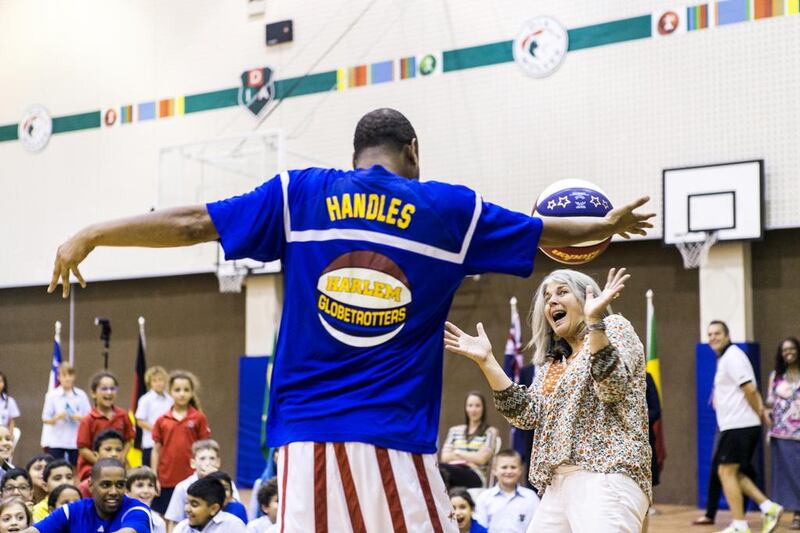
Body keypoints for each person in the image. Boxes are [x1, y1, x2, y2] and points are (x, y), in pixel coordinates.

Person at [47, 108, 654, 531]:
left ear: (356, 158)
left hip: (303, 437)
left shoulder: (301, 192)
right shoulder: (447, 208)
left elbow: (191, 224)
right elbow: (548, 230)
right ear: (413, 154)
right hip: (394, 437)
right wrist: (605, 228)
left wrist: (93, 232)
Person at [445, 268, 652, 532]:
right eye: (547, 296)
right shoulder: (553, 363)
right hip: (556, 484)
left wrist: (595, 322)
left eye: (562, 292)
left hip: (606, 474)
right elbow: (525, 415)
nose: (551, 301)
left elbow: (612, 387)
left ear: (586, 298)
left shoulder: (613, 328)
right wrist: (488, 362)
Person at [707, 320, 783, 533]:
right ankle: (769, 507)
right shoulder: (726, 358)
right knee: (730, 472)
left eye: (717, 333)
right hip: (734, 425)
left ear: (728, 335)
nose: (713, 337)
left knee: (725, 471)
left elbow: (749, 388)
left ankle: (740, 524)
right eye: (710, 334)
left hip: (740, 425)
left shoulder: (733, 356)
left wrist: (760, 412)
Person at [23, 458, 153, 533]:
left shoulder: (137, 509)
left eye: (120, 485)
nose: (114, 491)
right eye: (106, 485)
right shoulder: (72, 510)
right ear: (90, 485)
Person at [151, 370, 210, 515]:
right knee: (167, 516)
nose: (182, 394)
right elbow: (156, 450)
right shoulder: (162, 420)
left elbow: (205, 448)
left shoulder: (198, 418)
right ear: (170, 392)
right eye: (177, 390)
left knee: (193, 514)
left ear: (192, 393)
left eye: (186, 390)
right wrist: (154, 476)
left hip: (192, 477)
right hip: (167, 478)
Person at [164, 440, 240, 529]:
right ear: (193, 463)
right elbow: (174, 521)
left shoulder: (226, 483)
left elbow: (236, 506)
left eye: (212, 458)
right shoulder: (182, 487)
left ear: (218, 462)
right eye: (202, 458)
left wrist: (216, 479)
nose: (207, 463)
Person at [766, 337, 800, 530]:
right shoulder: (776, 376)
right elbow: (770, 403)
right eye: (784, 349)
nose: (788, 352)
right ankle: (794, 513)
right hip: (782, 434)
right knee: (786, 476)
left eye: (792, 348)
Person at [76, 371, 134, 481]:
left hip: (118, 464)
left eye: (112, 389)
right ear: (93, 393)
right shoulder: (88, 420)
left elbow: (129, 439)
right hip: (92, 467)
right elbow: (83, 449)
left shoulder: (122, 415)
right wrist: (102, 463)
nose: (109, 392)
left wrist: (122, 456)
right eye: (104, 389)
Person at [440, 391, 498, 488]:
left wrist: (457, 453)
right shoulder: (454, 431)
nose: (473, 410)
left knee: (441, 469)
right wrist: (471, 457)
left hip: (475, 475)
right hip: (452, 471)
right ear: (466, 408)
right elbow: (445, 457)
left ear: (483, 408)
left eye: (477, 406)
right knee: (440, 470)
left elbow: (481, 459)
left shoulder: (490, 432)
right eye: (470, 405)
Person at [473, 449, 539, 532]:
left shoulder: (531, 497)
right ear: (494, 470)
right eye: (504, 467)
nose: (509, 471)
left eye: (513, 467)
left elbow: (537, 526)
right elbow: (480, 527)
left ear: (520, 470)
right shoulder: (484, 497)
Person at [41, 363, 91, 466]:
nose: (67, 379)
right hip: (57, 440)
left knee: (76, 468)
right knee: (56, 467)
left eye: (70, 375)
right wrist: (57, 417)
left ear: (74, 377)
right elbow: (45, 419)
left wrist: (78, 417)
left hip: (75, 440)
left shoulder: (81, 395)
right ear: (59, 377)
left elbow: (89, 417)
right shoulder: (52, 395)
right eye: (64, 375)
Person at [172, 477, 245, 533]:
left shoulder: (233, 526)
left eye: (194, 504)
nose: (187, 509)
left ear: (214, 508)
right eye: (187, 503)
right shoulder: (182, 528)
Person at [134, 366, 173, 469]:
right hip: (150, 444)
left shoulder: (170, 399)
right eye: (154, 381)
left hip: (168, 444)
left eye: (160, 380)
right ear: (149, 383)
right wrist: (158, 431)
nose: (158, 383)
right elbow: (140, 421)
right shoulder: (145, 399)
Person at [79, 429, 126, 497]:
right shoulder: (85, 487)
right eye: (108, 449)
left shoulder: (129, 481)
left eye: (118, 450)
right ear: (96, 454)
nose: (114, 454)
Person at [126, 466, 167, 533]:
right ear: (127, 491)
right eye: (140, 485)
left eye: (150, 485)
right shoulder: (120, 516)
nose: (146, 491)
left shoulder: (158, 522)